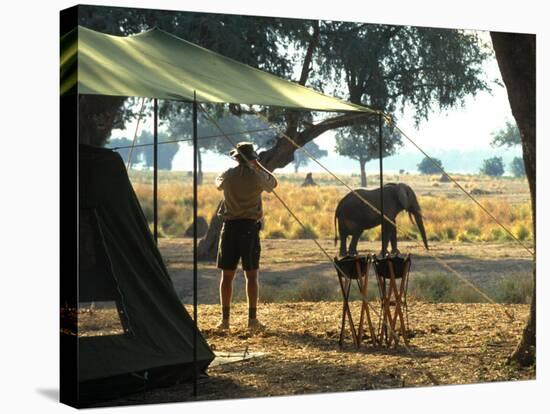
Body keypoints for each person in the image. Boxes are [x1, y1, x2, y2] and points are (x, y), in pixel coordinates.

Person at [215, 142, 277, 331]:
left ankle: (224, 321)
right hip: (249, 229)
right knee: (251, 276)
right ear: (252, 157)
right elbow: (273, 183)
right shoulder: (257, 177)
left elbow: (218, 184)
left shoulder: (228, 174)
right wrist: (257, 165)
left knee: (227, 276)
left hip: (229, 228)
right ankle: (252, 320)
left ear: (236, 157)